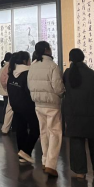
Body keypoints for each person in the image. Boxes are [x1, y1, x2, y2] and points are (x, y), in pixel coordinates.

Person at [64, 49, 94, 179]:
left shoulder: (67, 74)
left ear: (70, 59)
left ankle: (80, 171)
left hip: (73, 113)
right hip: (92, 113)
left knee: (76, 141)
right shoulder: (91, 73)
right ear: (83, 58)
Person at [28, 41, 66, 178]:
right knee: (55, 132)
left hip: (38, 104)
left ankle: (44, 161)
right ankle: (51, 164)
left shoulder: (33, 66)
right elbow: (58, 87)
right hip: (52, 104)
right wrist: (62, 94)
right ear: (46, 49)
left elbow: (29, 84)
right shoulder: (53, 66)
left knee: (43, 132)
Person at [7, 52, 40, 165]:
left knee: (21, 129)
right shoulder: (28, 73)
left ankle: (22, 154)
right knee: (36, 129)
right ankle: (26, 151)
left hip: (16, 106)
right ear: (25, 61)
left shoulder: (12, 73)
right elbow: (30, 90)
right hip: (28, 106)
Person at [0, 53, 14, 135]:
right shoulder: (8, 67)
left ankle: (5, 126)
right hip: (7, 92)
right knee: (7, 110)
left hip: (5, 92)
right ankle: (6, 126)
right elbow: (5, 81)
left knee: (6, 108)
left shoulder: (4, 66)